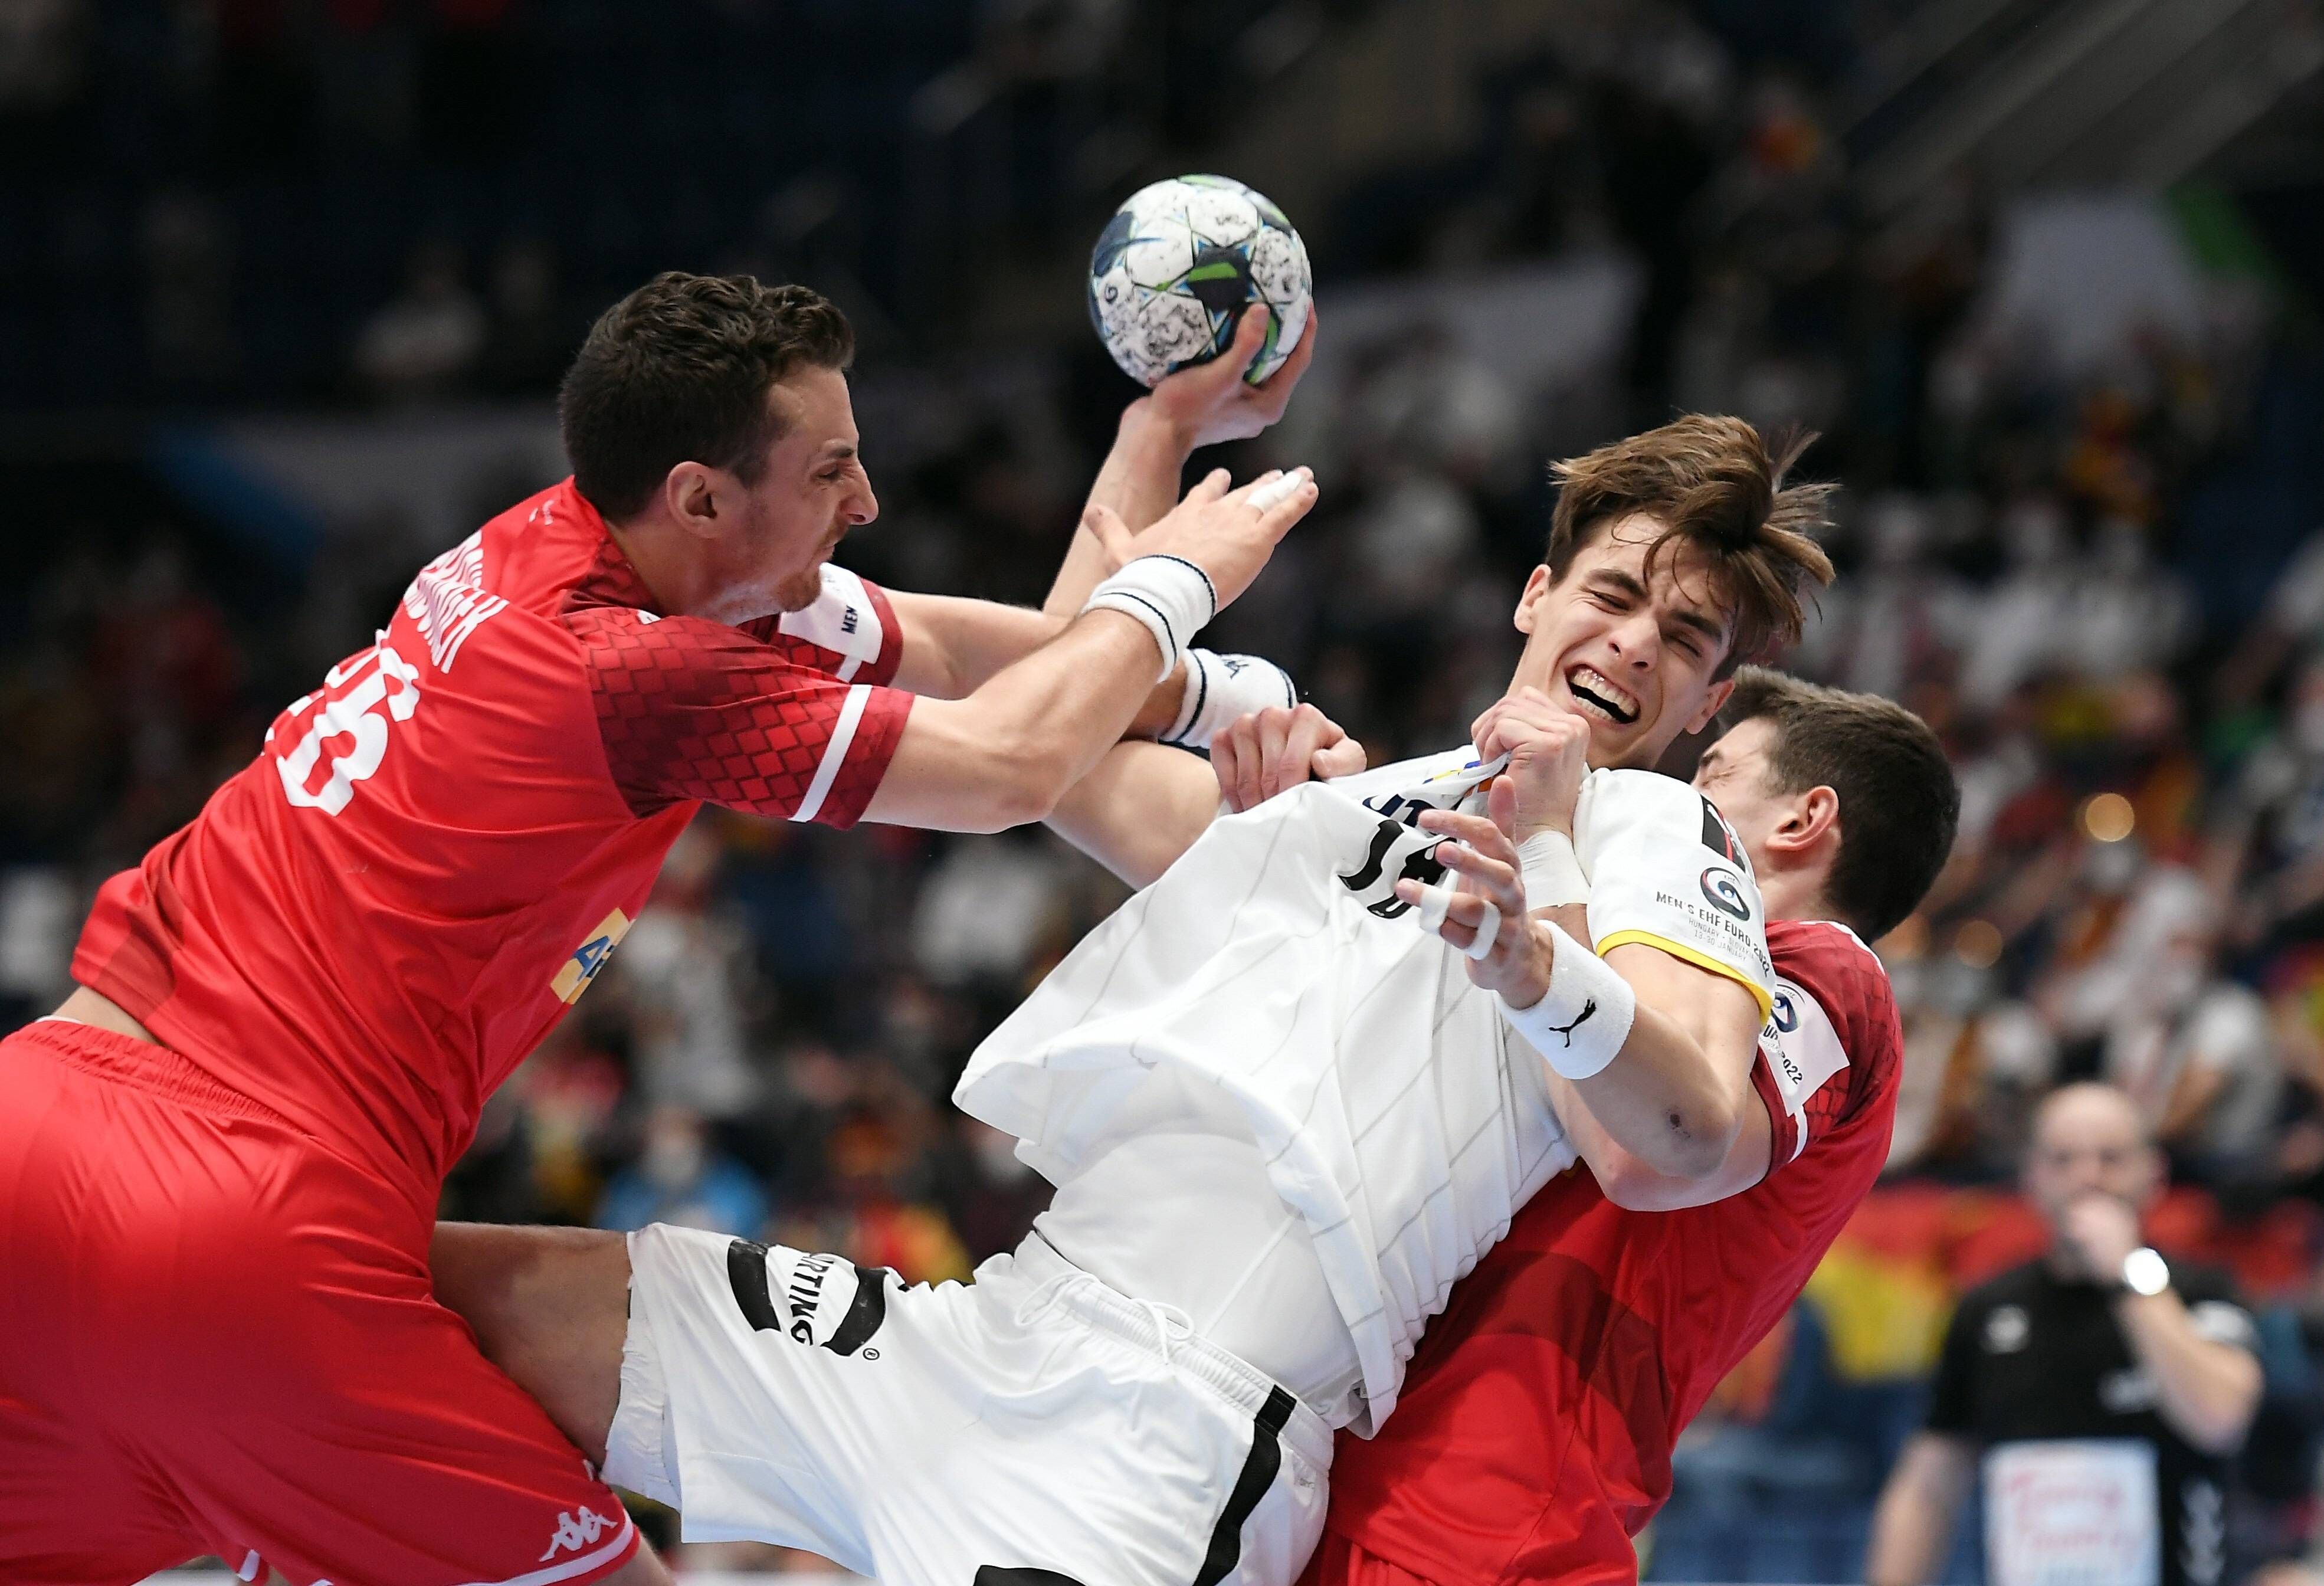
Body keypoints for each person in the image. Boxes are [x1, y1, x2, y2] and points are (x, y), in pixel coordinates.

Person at [0, 270, 1321, 1586]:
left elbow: (1014, 669)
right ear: (697, 497)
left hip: (40, 1118)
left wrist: (1164, 506)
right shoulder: (638, 672)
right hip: (234, 1212)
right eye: (831, 470)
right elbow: (1011, 765)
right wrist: (1180, 582)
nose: (867, 502)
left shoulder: (561, 552)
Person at [431, 414, 1837, 1586]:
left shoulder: (1659, 832)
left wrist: (1543, 898)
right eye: (1611, 594)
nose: (1635, 643)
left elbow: (1674, 1144)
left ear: (1708, 704)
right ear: (1533, 596)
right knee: (419, 1298)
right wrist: (1156, 427)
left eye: (1684, 636)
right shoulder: (1353, 794)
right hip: (983, 1329)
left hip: (1169, 1440)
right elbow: (1056, 738)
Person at [1289, 667, 1959, 1586]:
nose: (1673, 805)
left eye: (1712, 778)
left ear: (1801, 822)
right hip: (1381, 1467)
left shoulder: (1831, 973)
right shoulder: (1630, 948)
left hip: (1487, 1512)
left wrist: (1549, 845)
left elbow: (1650, 1150)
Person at [1864, 1082, 2264, 1586]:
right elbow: (1929, 1486)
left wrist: (2127, 1275)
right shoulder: (1988, 1310)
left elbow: (2220, 1418)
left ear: (2153, 1174)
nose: (2087, 1177)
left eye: (2110, 1158)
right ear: (2031, 1177)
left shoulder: (2198, 1292)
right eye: (2063, 1160)